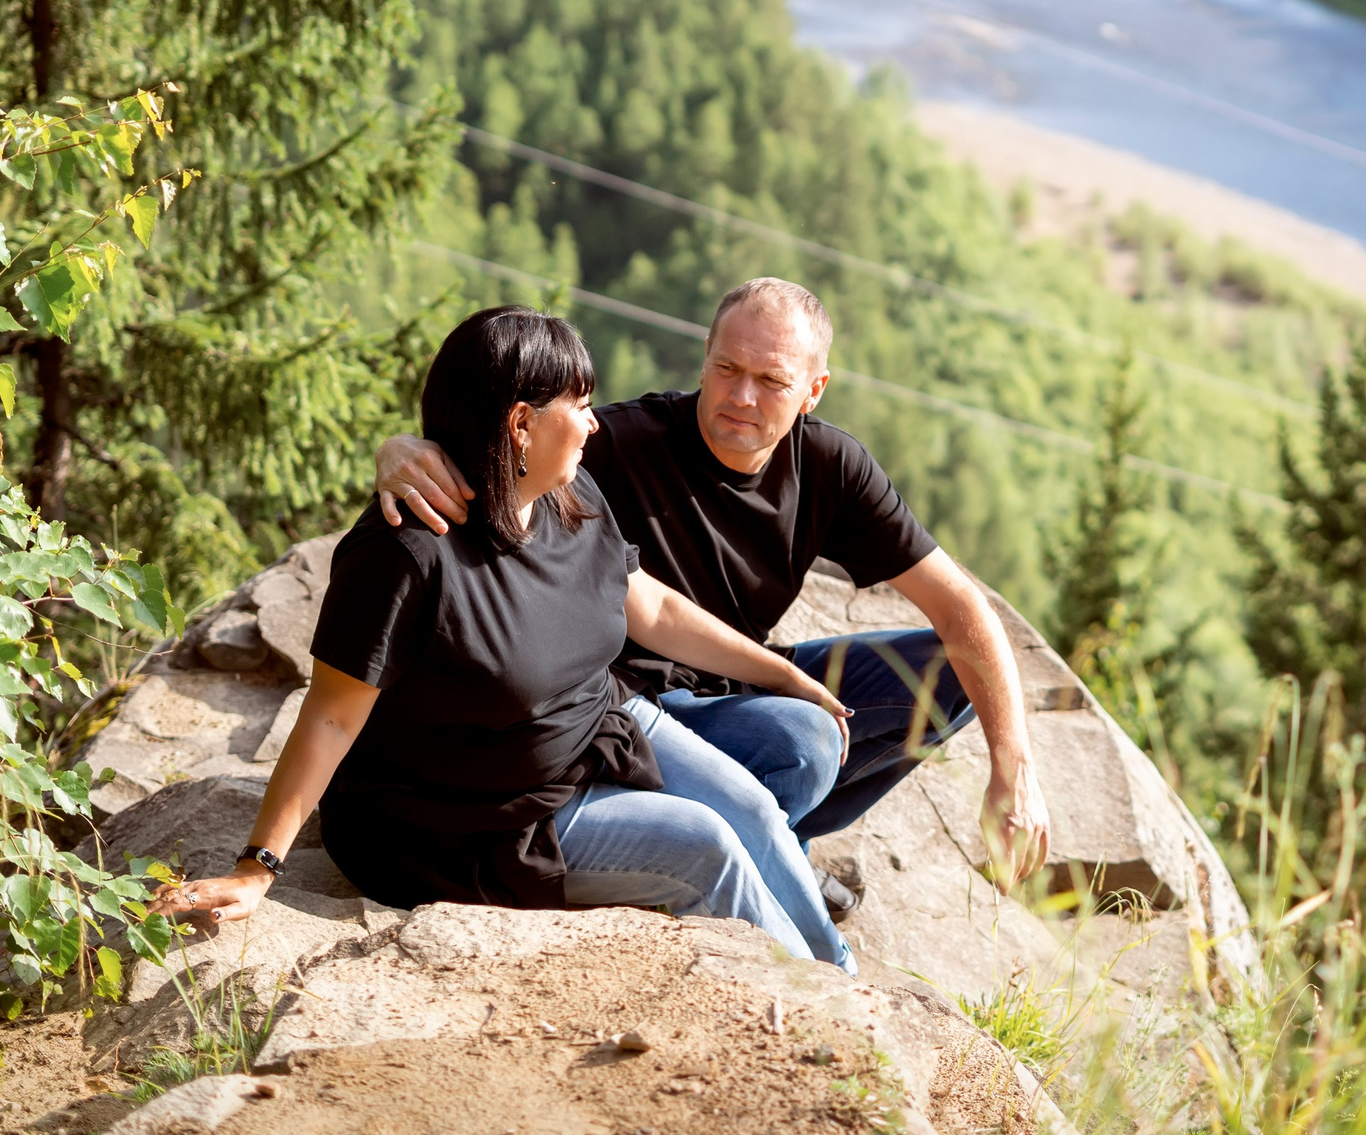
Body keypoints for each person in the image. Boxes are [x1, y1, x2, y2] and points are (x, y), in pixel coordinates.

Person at [154, 306, 859, 971]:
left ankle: (846, 981)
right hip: (475, 820)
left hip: (594, 731)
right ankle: (819, 1021)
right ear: (520, 424)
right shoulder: (408, 553)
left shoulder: (567, 495)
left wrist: (780, 673)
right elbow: (332, 716)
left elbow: (649, 607)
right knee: (706, 847)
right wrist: (257, 870)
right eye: (579, 408)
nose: (594, 426)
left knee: (754, 813)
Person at [374, 278, 1051, 906]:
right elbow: (505, 445)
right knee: (805, 741)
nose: (741, 397)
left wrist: (1012, 768)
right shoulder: (620, 445)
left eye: (771, 381)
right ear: (705, 356)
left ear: (813, 391)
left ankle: (778, 844)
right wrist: (403, 449)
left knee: (947, 670)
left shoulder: (830, 467)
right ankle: (753, 855)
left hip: (733, 685)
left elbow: (963, 610)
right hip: (622, 714)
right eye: (728, 369)